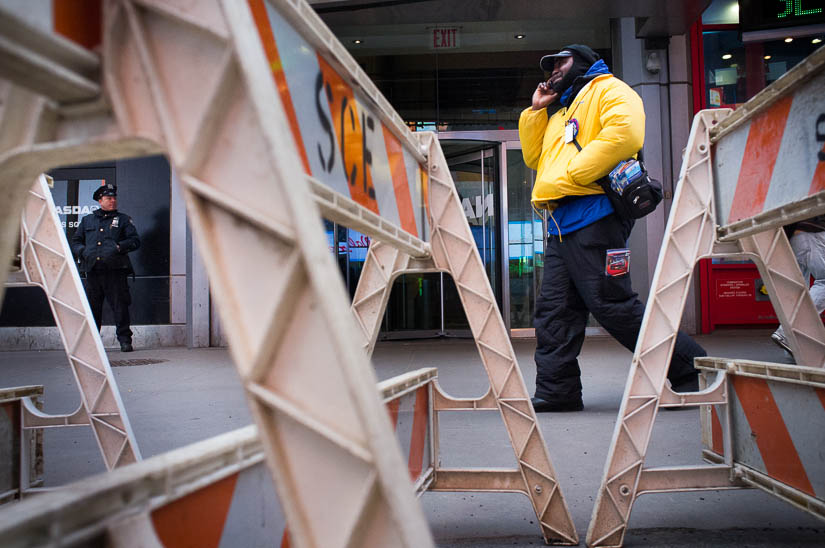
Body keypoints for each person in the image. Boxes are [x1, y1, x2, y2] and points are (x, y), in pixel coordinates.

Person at [519, 44, 706, 412]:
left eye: (561, 62)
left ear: (585, 62)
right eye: (550, 66)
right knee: (555, 310)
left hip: (596, 216)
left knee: (612, 305)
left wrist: (573, 174)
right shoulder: (561, 112)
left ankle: (688, 365)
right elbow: (533, 156)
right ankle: (558, 391)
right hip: (562, 224)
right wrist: (535, 111)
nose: (553, 70)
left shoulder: (609, 88)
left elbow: (625, 133)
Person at [71, 183, 140, 352]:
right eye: (109, 198)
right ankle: (92, 343)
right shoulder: (88, 220)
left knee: (120, 307)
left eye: (114, 198)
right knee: (93, 308)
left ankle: (125, 340)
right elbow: (76, 241)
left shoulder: (123, 220)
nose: (113, 201)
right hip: (93, 271)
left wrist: (118, 247)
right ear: (100, 200)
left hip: (115, 271)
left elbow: (135, 241)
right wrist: (83, 251)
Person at [771, 215, 825, 357]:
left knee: (798, 291)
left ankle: (792, 349)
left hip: (796, 238)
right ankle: (784, 333)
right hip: (814, 236)